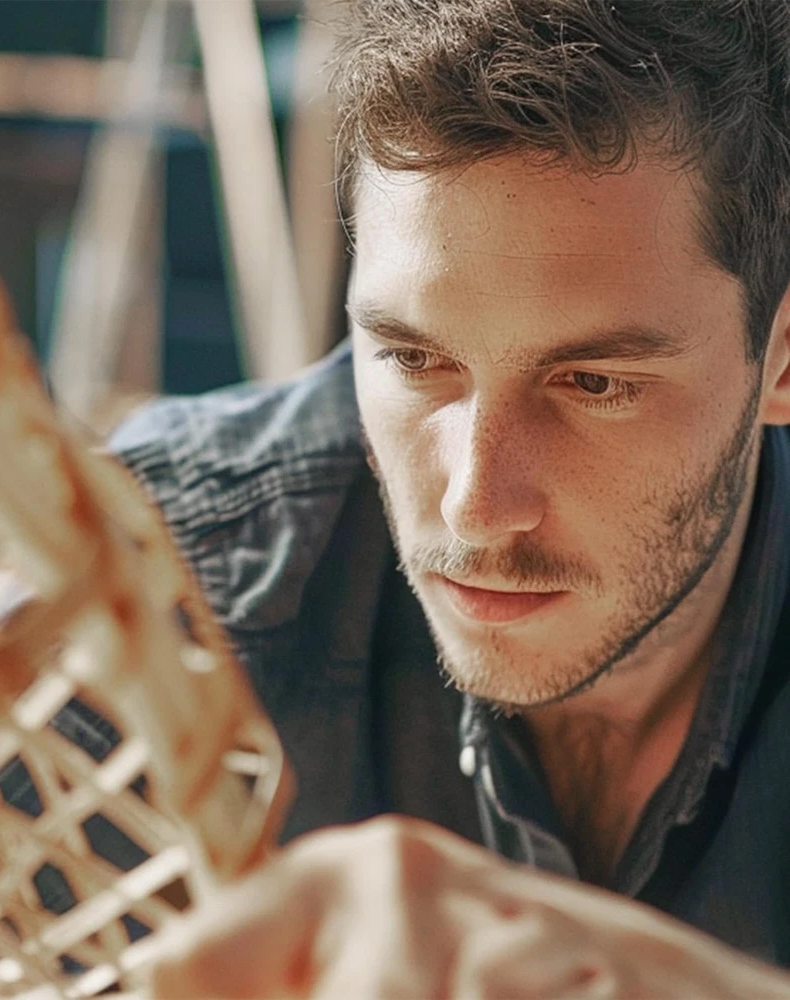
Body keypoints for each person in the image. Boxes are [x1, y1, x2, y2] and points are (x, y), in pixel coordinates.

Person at [102, 0, 790, 995]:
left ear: (779, 355)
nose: (474, 505)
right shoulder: (167, 570)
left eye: (593, 382)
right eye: (413, 359)